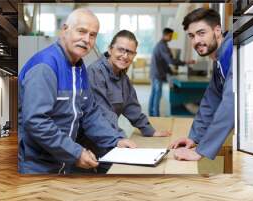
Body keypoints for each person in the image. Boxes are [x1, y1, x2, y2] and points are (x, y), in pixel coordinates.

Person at [18, 8, 136, 174]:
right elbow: (36, 121)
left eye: (93, 35)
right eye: (82, 31)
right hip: (37, 166)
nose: (86, 39)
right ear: (65, 30)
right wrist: (75, 153)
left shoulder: (79, 68)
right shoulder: (45, 67)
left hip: (63, 162)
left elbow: (89, 113)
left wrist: (115, 140)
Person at [77, 30, 171, 156]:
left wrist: (149, 130)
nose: (125, 56)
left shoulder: (122, 77)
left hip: (109, 137)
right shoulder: (96, 73)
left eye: (130, 52)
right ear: (110, 49)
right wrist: (120, 138)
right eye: (121, 50)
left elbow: (131, 106)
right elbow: (102, 113)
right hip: (89, 143)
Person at [169, 8, 234, 161]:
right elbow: (211, 100)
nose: (196, 41)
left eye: (201, 33)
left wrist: (201, 151)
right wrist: (194, 138)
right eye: (192, 36)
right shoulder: (219, 57)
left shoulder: (232, 51)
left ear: (217, 30)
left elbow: (231, 104)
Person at [148, 28, 191, 117]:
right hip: (158, 75)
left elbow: (164, 62)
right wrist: (185, 62)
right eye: (171, 36)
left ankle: (151, 114)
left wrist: (171, 72)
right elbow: (170, 61)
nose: (171, 38)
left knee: (153, 94)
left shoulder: (160, 45)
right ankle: (156, 116)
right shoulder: (163, 46)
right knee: (157, 96)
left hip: (154, 73)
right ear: (166, 35)